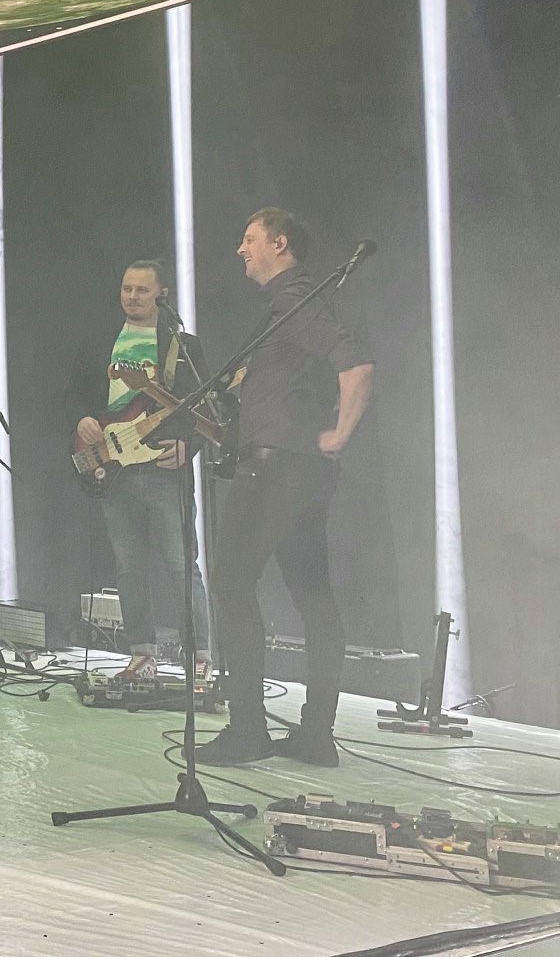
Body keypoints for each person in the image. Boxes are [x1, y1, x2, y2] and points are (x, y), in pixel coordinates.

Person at [201, 208, 374, 768]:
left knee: (231, 584)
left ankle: (248, 731)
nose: (240, 249)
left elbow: (357, 367)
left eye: (249, 239)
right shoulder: (289, 309)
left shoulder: (296, 299)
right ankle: (316, 736)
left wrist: (341, 432)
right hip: (299, 471)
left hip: (274, 470)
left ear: (279, 244)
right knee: (312, 594)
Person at [64, 260, 212, 681]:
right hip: (115, 469)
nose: (132, 296)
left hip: (165, 470)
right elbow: (73, 395)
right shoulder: (100, 342)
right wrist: (81, 420)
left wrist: (188, 447)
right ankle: (141, 653)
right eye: (126, 288)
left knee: (182, 565)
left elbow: (205, 408)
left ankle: (200, 656)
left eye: (142, 290)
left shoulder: (183, 347)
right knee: (129, 568)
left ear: (161, 294)